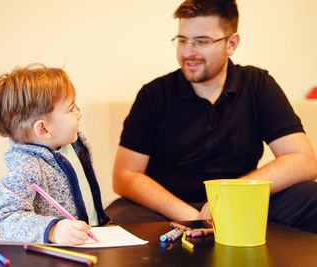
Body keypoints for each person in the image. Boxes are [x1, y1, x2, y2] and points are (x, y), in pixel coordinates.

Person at [107, 0, 317, 233]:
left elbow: (304, 160)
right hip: (167, 209)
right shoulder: (154, 94)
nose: (188, 52)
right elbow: (125, 175)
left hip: (239, 202)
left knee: (312, 196)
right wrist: (193, 217)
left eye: (202, 41)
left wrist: (228, 196)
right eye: (182, 40)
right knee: (116, 221)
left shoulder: (258, 84)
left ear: (232, 44)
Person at [0, 64, 110, 245]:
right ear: (44, 129)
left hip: (92, 238)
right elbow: (7, 217)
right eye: (71, 109)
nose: (79, 114)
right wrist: (53, 231)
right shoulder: (28, 166)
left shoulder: (71, 143)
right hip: (56, 253)